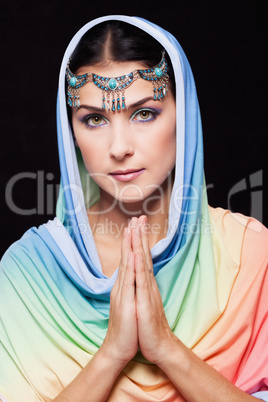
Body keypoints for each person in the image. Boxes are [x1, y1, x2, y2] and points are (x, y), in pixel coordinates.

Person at [0, 15, 267, 402]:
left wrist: (166, 349)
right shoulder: (27, 275)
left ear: (184, 116)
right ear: (70, 132)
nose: (119, 147)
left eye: (144, 113)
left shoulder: (250, 256)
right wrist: (111, 354)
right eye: (94, 119)